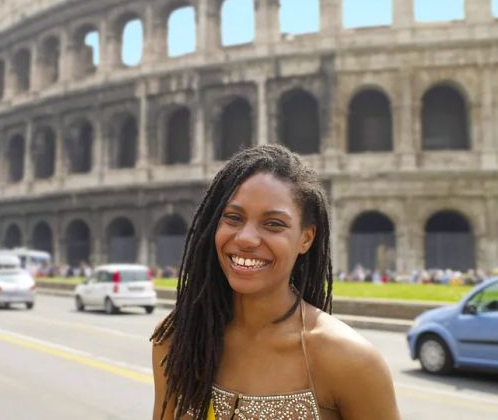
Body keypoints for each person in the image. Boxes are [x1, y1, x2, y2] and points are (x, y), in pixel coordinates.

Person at [151, 145, 400, 420]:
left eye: (273, 224)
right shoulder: (179, 337)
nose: (246, 238)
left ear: (306, 238)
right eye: (233, 218)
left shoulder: (349, 360)